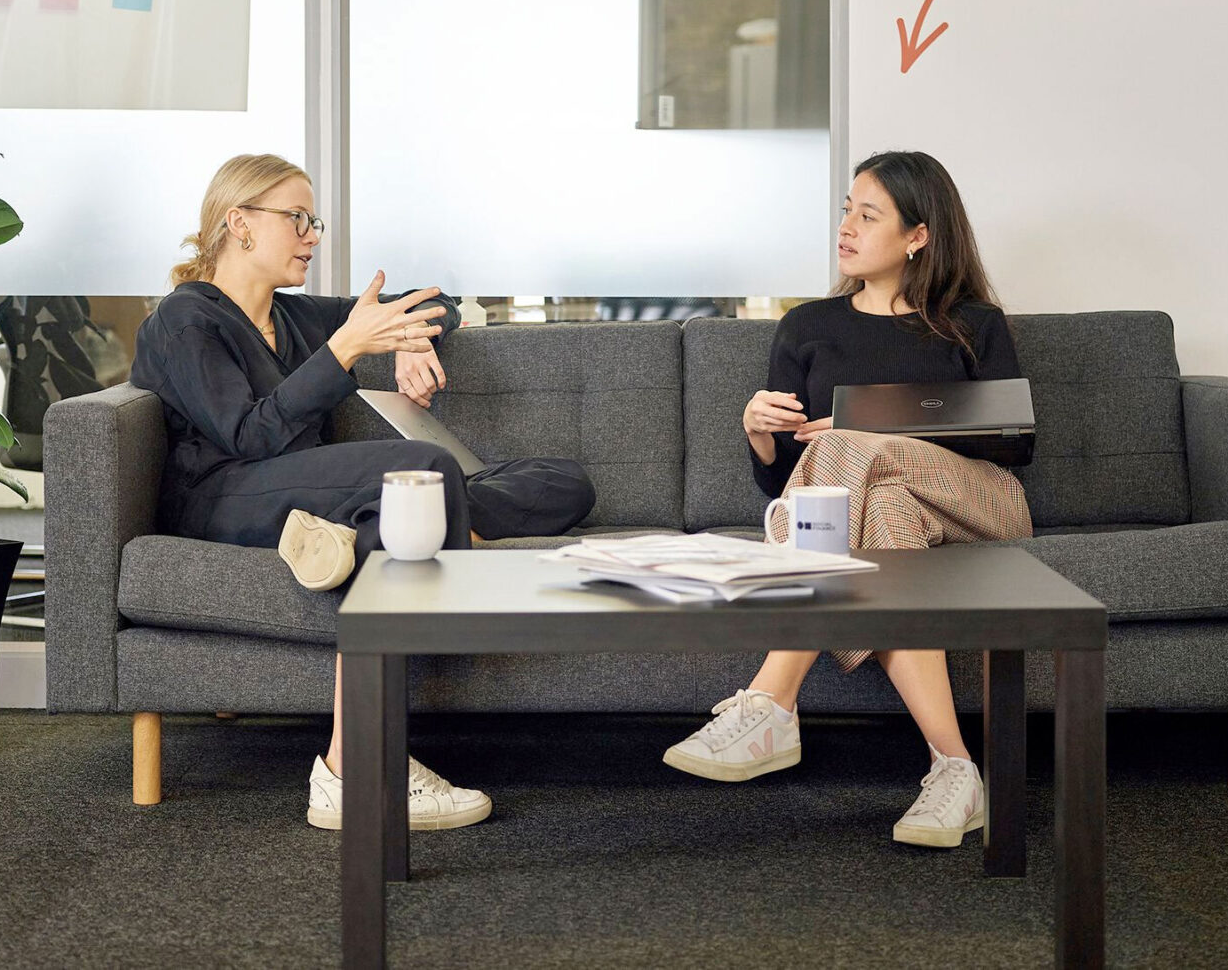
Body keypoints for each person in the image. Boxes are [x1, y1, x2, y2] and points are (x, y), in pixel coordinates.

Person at [129, 153, 595, 832]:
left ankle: (348, 772)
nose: (313, 235)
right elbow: (250, 436)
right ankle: (443, 528)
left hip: (319, 496)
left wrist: (409, 337)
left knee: (565, 482)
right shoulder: (185, 320)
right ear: (240, 225)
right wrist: (345, 350)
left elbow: (439, 303)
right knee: (423, 470)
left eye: (312, 220)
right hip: (224, 495)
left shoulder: (290, 318)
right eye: (298, 219)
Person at [662, 150, 1032, 848]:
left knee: (845, 448)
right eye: (846, 210)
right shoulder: (807, 326)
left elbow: (1013, 444)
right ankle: (955, 770)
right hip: (885, 516)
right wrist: (761, 436)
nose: (847, 227)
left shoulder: (972, 321)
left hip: (982, 504)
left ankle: (772, 697)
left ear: (918, 235)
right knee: (877, 509)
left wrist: (874, 426)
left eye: (870, 215)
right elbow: (784, 486)